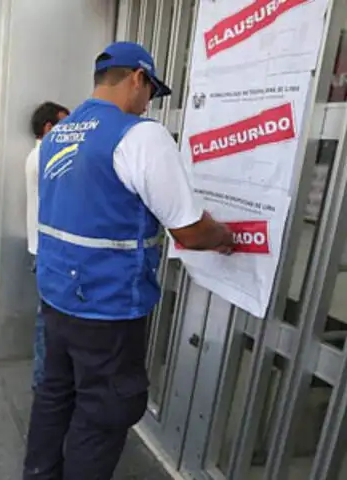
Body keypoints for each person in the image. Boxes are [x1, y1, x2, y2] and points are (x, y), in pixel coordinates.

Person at [23, 41, 235, 480]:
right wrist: (225, 236)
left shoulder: (56, 135)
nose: (148, 103)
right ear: (138, 78)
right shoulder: (140, 135)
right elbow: (190, 230)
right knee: (102, 414)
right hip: (108, 309)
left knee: (54, 396)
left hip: (57, 297)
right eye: (152, 91)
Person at [25, 101, 69, 389]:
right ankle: (43, 383)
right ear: (48, 128)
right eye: (65, 124)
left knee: (50, 319)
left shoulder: (38, 155)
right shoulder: (46, 155)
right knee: (48, 322)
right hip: (49, 250)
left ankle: (46, 381)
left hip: (43, 247)